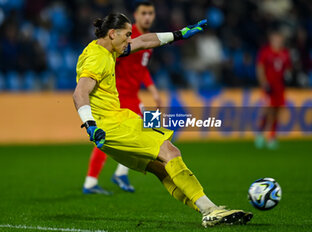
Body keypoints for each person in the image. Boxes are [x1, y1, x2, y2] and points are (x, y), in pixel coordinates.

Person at [73, 12, 252, 227]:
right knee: (170, 152)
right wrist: (90, 125)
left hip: (111, 127)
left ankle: (209, 210)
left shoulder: (105, 49)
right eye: (127, 35)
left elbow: (143, 41)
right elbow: (79, 93)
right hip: (112, 125)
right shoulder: (97, 58)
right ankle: (210, 210)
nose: (130, 39)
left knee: (161, 168)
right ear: (112, 33)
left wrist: (179, 34)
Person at [83, 1, 160, 194]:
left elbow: (141, 69)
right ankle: (99, 179)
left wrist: (153, 90)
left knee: (152, 127)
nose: (147, 17)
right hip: (119, 96)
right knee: (111, 138)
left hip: (134, 96)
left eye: (151, 13)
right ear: (136, 14)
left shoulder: (145, 40)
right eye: (144, 13)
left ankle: (116, 173)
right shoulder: (125, 36)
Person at [255, 29, 292, 149]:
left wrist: (288, 76)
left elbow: (287, 69)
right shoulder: (266, 52)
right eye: (276, 38)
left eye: (280, 38)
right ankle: (261, 134)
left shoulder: (285, 53)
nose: (278, 41)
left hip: (279, 87)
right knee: (268, 111)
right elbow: (260, 68)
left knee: (277, 111)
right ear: (271, 39)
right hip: (268, 87)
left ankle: (272, 137)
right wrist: (264, 83)